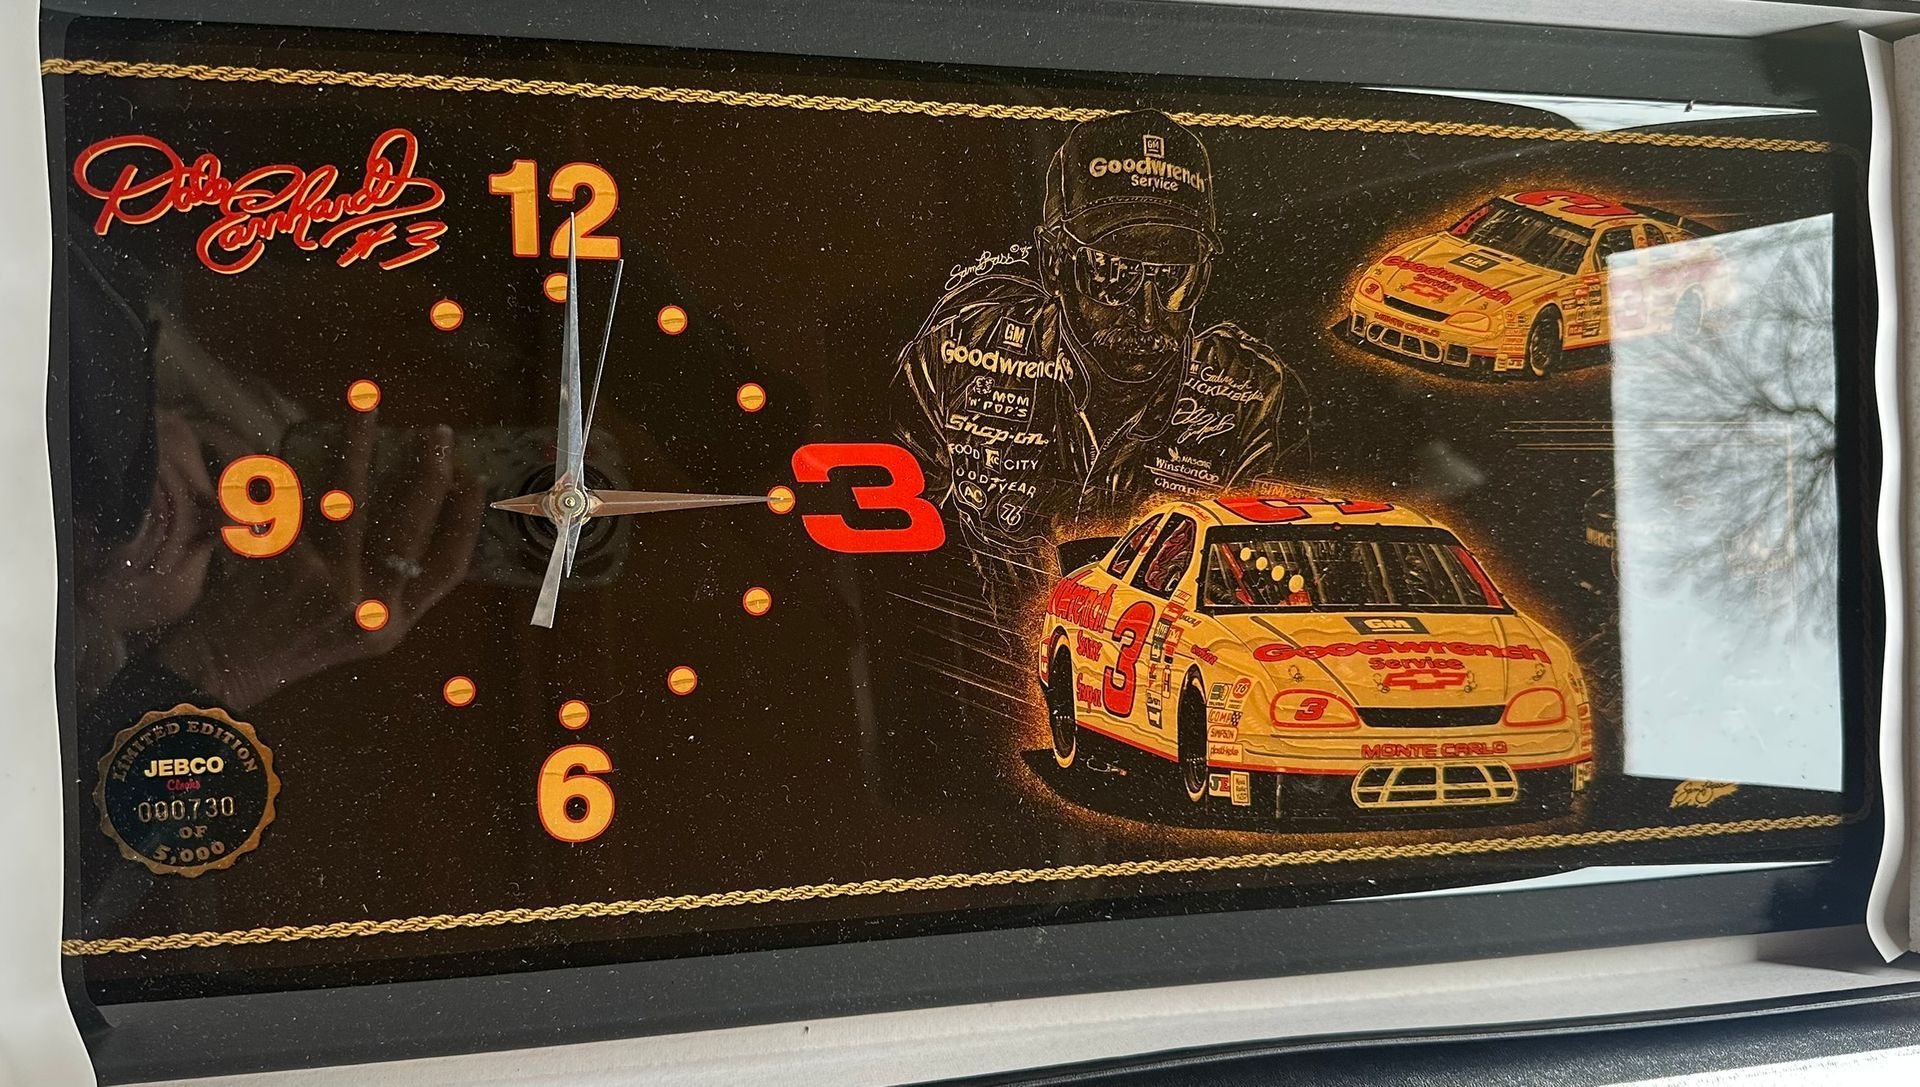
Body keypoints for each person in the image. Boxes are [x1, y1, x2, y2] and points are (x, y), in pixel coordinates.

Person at [894, 108, 1310, 592]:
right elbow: (899, 551)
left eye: (1176, 279)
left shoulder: (1254, 397)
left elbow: (1276, 578)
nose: (1148, 315)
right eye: (1113, 274)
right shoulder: (957, 355)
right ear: (1053, 261)